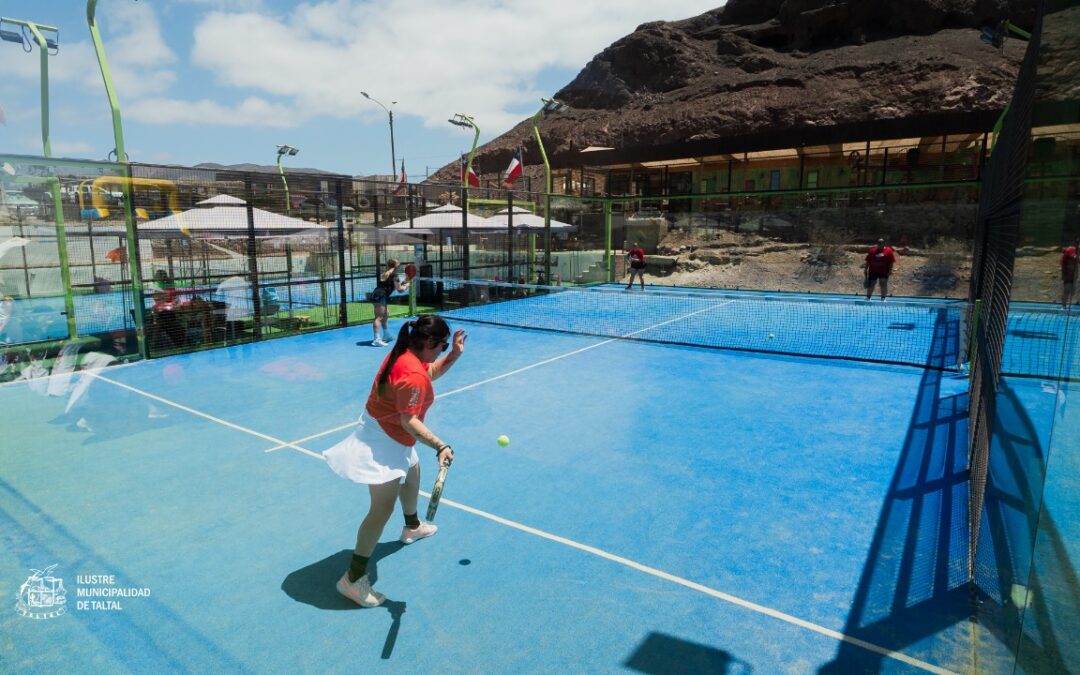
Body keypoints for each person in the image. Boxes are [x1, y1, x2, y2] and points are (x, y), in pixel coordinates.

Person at [324, 315, 466, 607]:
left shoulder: (407, 352)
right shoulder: (410, 371)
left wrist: (453, 356)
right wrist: (440, 445)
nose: (442, 349)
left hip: (388, 431)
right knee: (381, 510)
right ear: (428, 342)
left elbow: (430, 373)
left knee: (412, 472)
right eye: (442, 345)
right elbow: (409, 420)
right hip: (384, 441)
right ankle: (352, 579)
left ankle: (412, 526)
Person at [370, 259, 411, 347]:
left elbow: (396, 285)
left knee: (386, 313)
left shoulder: (386, 273)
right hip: (380, 296)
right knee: (379, 317)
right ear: (396, 266)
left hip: (378, 295)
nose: (399, 267)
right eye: (398, 265)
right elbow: (400, 290)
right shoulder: (394, 276)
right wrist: (408, 284)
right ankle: (376, 339)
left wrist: (405, 282)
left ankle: (386, 334)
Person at [1061, 242, 1078, 309]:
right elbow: (1074, 257)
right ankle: (1064, 305)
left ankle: (1076, 302)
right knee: (1067, 288)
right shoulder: (1071, 250)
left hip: (1073, 273)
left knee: (1074, 289)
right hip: (1067, 273)